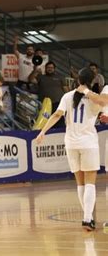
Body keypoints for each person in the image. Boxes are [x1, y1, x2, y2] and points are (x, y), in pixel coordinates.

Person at [35, 68, 107, 231]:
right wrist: (88, 91)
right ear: (93, 81)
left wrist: (42, 132)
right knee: (90, 182)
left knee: (80, 183)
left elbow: (56, 115)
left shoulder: (67, 96)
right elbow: (104, 102)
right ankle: (87, 219)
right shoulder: (94, 98)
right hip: (88, 142)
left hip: (71, 143)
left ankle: (87, 217)